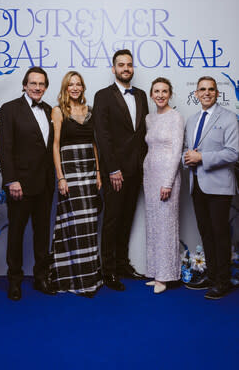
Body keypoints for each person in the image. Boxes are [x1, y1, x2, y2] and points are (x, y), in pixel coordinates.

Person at [0, 67, 55, 301]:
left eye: (41, 84)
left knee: (42, 234)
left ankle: (41, 278)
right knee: (17, 235)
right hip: (19, 185)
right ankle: (15, 281)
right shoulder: (10, 109)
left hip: (45, 185)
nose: (37, 88)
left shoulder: (50, 110)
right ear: (24, 85)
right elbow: (5, 147)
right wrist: (12, 180)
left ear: (45, 87)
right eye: (33, 83)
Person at [93, 49, 149, 291]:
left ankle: (122, 263)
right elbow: (102, 135)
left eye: (129, 65)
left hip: (136, 169)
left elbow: (142, 134)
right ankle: (108, 270)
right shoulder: (103, 95)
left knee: (127, 218)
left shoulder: (142, 95)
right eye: (121, 65)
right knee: (112, 220)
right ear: (113, 68)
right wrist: (113, 169)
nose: (126, 68)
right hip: (115, 171)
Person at [183, 76, 239, 299]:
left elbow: (233, 153)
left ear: (217, 93)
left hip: (219, 187)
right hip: (196, 185)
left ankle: (223, 282)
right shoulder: (192, 120)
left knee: (220, 234)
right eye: (202, 89)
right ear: (196, 93)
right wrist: (186, 158)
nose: (206, 93)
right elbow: (188, 149)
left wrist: (201, 157)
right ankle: (212, 276)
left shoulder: (228, 118)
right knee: (206, 233)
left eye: (211, 89)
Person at [50, 71, 102, 297]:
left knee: (89, 225)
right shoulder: (58, 110)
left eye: (78, 84)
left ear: (83, 87)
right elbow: (56, 145)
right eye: (71, 84)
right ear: (65, 87)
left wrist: (98, 172)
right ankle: (71, 279)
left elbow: (94, 144)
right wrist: (60, 177)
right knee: (72, 225)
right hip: (70, 172)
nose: (75, 88)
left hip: (89, 172)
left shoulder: (90, 111)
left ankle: (90, 277)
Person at [143, 78, 184, 294]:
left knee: (166, 224)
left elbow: (177, 152)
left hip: (167, 176)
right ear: (151, 95)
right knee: (153, 223)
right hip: (150, 175)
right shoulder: (149, 118)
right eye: (156, 91)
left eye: (164, 91)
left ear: (170, 94)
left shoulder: (176, 117)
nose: (160, 95)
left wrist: (168, 182)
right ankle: (156, 272)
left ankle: (166, 275)